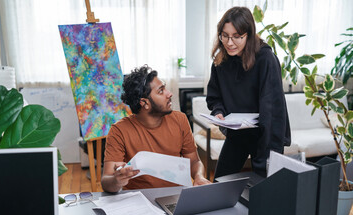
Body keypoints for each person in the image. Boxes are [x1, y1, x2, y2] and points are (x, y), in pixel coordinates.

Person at [206, 7, 291, 178]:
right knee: (220, 181)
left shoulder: (266, 59)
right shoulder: (220, 61)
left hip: (265, 135)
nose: (229, 42)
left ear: (249, 35)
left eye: (237, 36)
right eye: (225, 35)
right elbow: (214, 97)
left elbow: (273, 110)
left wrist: (268, 154)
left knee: (264, 189)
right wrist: (219, 111)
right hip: (238, 133)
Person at [102, 65, 211, 193]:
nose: (169, 94)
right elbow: (106, 180)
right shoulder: (119, 131)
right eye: (161, 91)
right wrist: (116, 180)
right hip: (139, 200)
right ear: (145, 103)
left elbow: (194, 161)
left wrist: (198, 176)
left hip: (176, 196)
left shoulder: (180, 120)